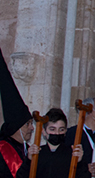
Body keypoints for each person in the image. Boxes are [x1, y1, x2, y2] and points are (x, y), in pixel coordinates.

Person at [16, 108, 89, 178]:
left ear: (65, 131)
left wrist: (79, 162)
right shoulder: (38, 153)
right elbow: (21, 176)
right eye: (52, 129)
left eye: (61, 129)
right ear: (44, 131)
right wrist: (28, 160)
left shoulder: (71, 154)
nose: (57, 133)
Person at [0, 48, 33, 178]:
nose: (32, 127)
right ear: (16, 126)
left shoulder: (26, 148)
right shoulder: (4, 148)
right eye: (27, 124)